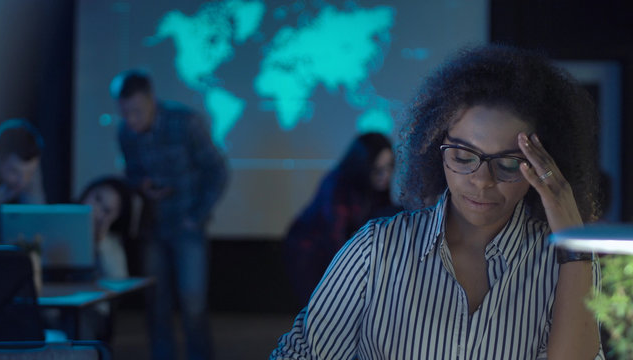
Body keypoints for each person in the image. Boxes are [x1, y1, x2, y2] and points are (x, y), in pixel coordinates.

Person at [270, 45, 604, 359]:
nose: (481, 180)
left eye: (508, 164)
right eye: (462, 156)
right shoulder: (376, 250)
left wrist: (572, 240)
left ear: (545, 167)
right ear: (435, 149)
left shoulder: (564, 266)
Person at [112, 70, 228, 360]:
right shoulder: (125, 132)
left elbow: (217, 170)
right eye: (125, 113)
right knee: (156, 305)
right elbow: (131, 173)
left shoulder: (185, 122)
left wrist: (197, 215)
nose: (131, 120)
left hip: (188, 226)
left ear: (152, 100)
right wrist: (141, 185)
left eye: (137, 111)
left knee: (193, 304)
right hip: (152, 228)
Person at [283, 132, 400, 305]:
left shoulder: (376, 190)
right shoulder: (337, 184)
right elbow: (334, 236)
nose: (386, 175)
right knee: (323, 314)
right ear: (363, 166)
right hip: (312, 254)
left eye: (390, 167)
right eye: (377, 170)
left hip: (337, 254)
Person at [0, 119, 45, 238]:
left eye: (30, 173)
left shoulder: (29, 159)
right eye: (14, 171)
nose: (22, 182)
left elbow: (38, 218)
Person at [79, 176, 136, 279]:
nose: (96, 209)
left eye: (107, 210)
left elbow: (118, 278)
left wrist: (100, 241)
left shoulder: (110, 243)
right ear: (89, 191)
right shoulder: (60, 218)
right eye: (97, 198)